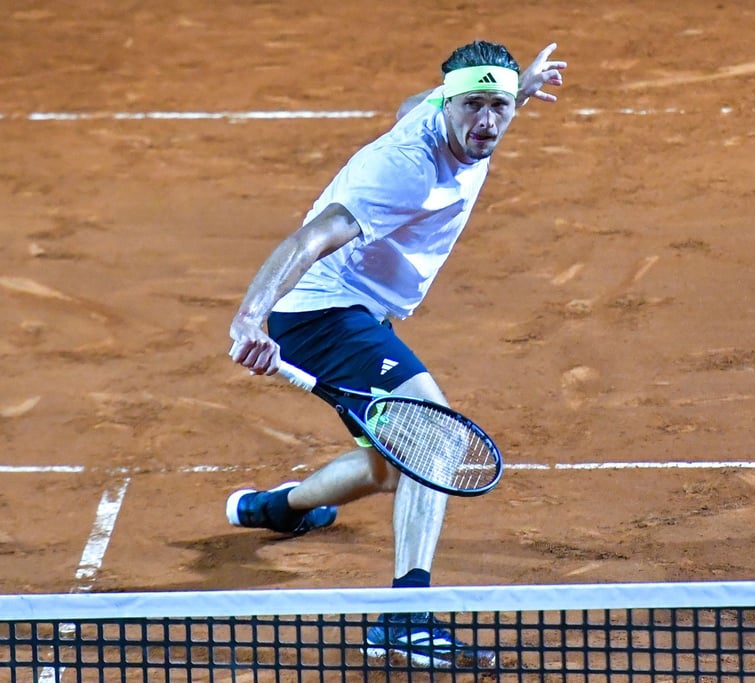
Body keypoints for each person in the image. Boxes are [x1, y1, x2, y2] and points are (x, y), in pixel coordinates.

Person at [227, 39, 566, 668]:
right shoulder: (404, 169)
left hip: (360, 311)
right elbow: (310, 238)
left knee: (391, 469)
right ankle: (405, 619)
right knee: (433, 441)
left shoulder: (451, 111)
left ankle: (276, 508)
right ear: (448, 103)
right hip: (323, 315)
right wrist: (251, 316)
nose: (486, 122)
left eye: (498, 106)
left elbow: (418, 104)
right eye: (472, 106)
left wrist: (516, 90)